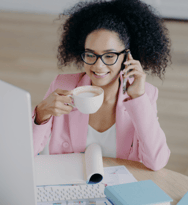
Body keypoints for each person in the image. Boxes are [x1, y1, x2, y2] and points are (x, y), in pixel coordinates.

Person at [32, 0, 171, 171]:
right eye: (90, 54)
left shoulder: (144, 95)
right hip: (71, 187)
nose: (98, 66)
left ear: (127, 57)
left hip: (119, 190)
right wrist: (41, 114)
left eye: (110, 55)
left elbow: (157, 162)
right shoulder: (63, 86)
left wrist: (137, 98)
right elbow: (26, 153)